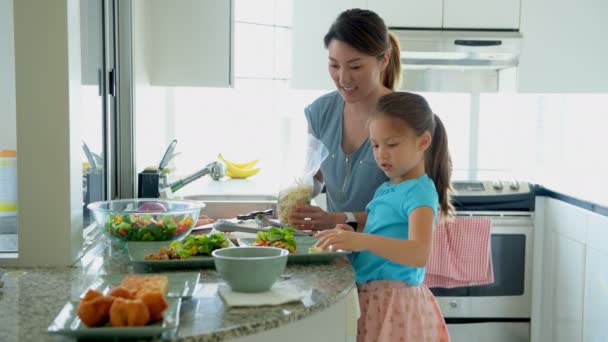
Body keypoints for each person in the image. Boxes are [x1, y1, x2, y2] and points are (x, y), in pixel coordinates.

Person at [316, 92, 452, 342]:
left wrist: (363, 242)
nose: (381, 154)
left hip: (395, 303)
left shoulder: (420, 191)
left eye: (391, 145)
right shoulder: (387, 188)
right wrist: (354, 236)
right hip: (373, 299)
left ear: (423, 142)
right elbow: (383, 236)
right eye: (375, 145)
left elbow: (419, 253)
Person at [289, 8, 402, 231]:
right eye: (334, 65)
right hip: (335, 256)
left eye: (356, 66)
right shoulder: (321, 112)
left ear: (384, 60)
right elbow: (316, 176)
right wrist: (295, 197)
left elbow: (404, 210)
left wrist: (337, 219)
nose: (343, 78)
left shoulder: (407, 118)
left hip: (387, 260)